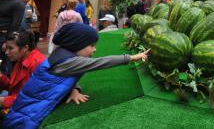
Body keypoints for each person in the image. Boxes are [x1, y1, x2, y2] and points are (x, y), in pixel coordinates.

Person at [3, 23, 150, 128]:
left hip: (23, 111)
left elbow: (66, 76)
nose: (94, 50)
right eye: (91, 45)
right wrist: (132, 57)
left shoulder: (61, 55)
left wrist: (74, 89)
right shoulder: (70, 61)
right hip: (25, 118)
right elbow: (101, 62)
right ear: (77, 45)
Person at [0, 31, 45, 111]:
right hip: (15, 100)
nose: (6, 52)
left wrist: (3, 101)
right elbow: (12, 87)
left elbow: (31, 97)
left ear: (25, 48)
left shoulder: (38, 63)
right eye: (6, 48)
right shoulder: (21, 59)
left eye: (10, 48)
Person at [0, 0, 26, 76]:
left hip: (4, 36)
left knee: (4, 62)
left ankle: (5, 86)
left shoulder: (18, 3)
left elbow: (16, 24)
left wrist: (7, 41)